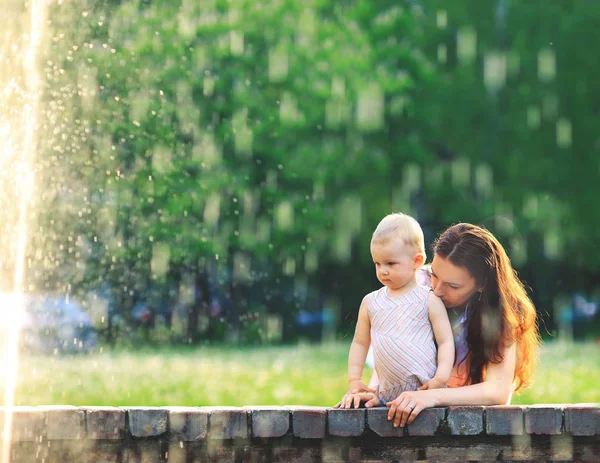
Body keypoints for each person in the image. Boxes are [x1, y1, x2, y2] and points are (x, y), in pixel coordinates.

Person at [336, 223, 541, 429]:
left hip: (468, 422)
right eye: (434, 274)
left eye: (453, 285)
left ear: (482, 284)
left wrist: (433, 397)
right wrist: (372, 394)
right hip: (410, 408)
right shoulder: (415, 284)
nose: (438, 290)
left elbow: (498, 390)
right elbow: (392, 351)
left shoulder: (501, 312)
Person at [339, 213, 455, 409]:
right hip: (385, 397)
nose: (382, 270)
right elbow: (360, 343)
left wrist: (441, 378)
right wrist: (354, 380)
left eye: (390, 263)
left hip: (425, 394)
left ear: (416, 262)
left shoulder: (429, 299)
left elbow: (445, 341)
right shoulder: (371, 302)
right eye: (377, 263)